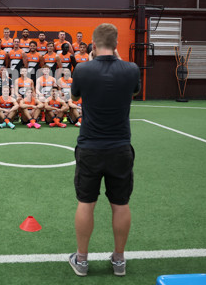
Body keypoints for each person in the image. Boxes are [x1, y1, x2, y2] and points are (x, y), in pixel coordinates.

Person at [68, 23, 141, 278]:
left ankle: (82, 260)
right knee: (120, 204)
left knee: (86, 203)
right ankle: (119, 260)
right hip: (120, 147)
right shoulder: (131, 69)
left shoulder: (83, 69)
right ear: (117, 42)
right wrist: (118, 60)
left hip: (90, 147)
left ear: (93, 43)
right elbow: (133, 91)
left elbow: (75, 98)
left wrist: (91, 62)